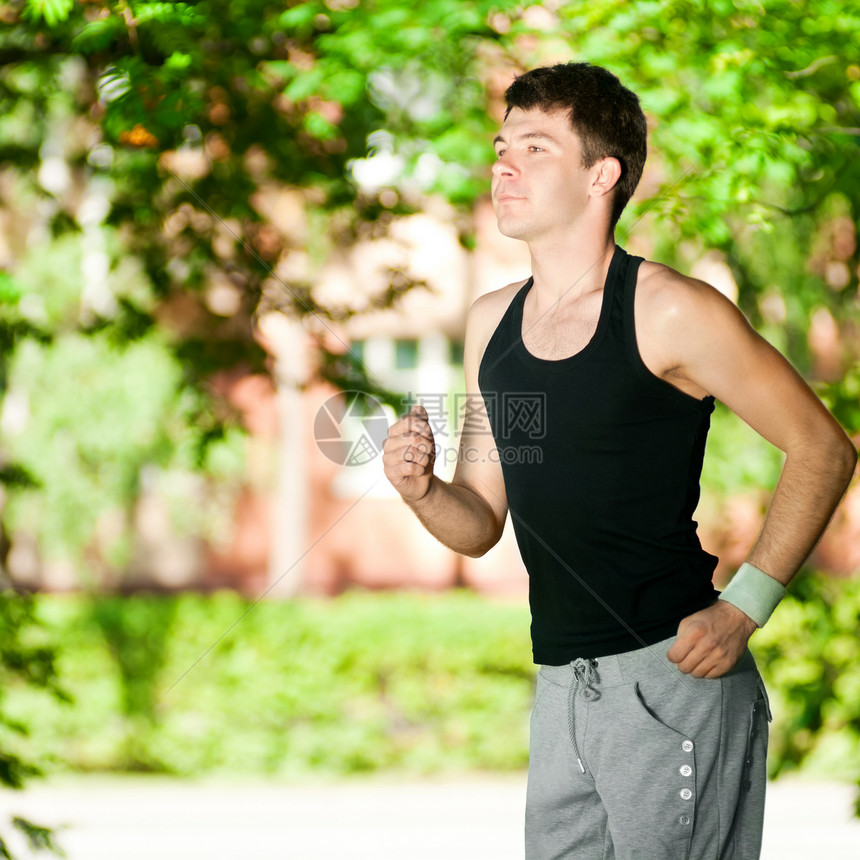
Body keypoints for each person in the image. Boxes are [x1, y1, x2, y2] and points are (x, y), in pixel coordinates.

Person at [382, 62, 856, 859]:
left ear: (602, 174)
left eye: (534, 148)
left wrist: (745, 608)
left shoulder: (672, 310)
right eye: (502, 145)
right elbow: (479, 521)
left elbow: (824, 446)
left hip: (673, 675)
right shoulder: (489, 326)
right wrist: (421, 490)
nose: (503, 163)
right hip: (562, 687)